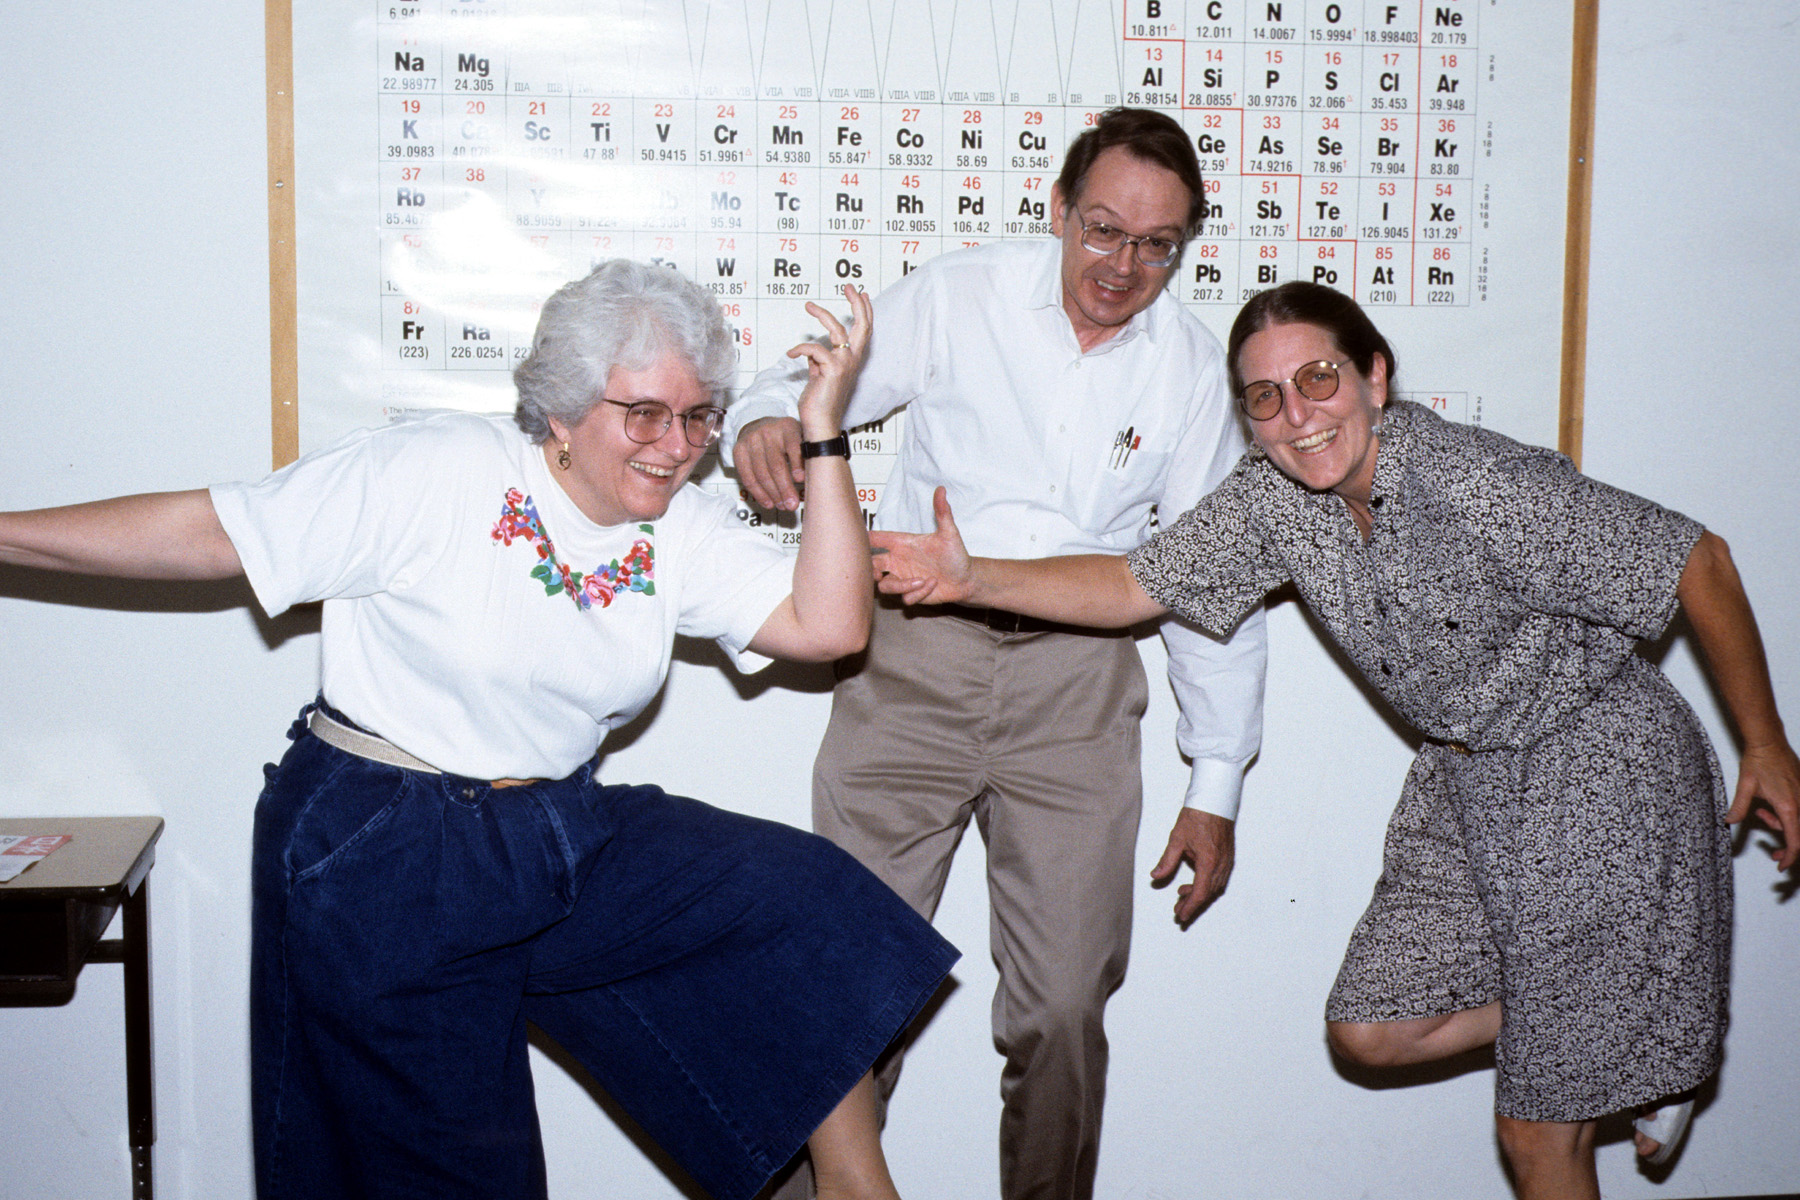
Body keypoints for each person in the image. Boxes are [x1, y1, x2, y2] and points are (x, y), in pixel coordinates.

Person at [0, 260, 958, 1200]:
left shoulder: (678, 525)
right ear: (562, 410)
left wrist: (823, 434)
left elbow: (831, 626)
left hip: (551, 827)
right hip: (386, 844)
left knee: (796, 902)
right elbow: (213, 531)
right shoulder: (437, 470)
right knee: (455, 1172)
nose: (677, 446)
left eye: (699, 415)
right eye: (645, 414)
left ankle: (852, 1184)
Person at [870, 280, 1800, 1200]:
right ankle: (1625, 1026)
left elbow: (1696, 559)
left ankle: (1612, 1031)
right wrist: (971, 576)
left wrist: (1766, 746)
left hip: (1596, 769)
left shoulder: (1475, 482)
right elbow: (1131, 586)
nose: (1298, 416)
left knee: (1535, 1137)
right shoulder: (1275, 500)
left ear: (1374, 377)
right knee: (1372, 1028)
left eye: (1318, 379)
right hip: (1467, 778)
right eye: (1265, 397)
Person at [723, 108, 1266, 1200]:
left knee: (1064, 1005)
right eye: (1103, 229)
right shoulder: (961, 294)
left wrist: (1216, 785)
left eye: (1156, 246)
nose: (1122, 266)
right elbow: (802, 379)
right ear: (1059, 210)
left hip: (1078, 686)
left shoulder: (1190, 370)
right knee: (845, 987)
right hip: (909, 667)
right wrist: (765, 420)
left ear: (1183, 249)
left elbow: (1210, 584)